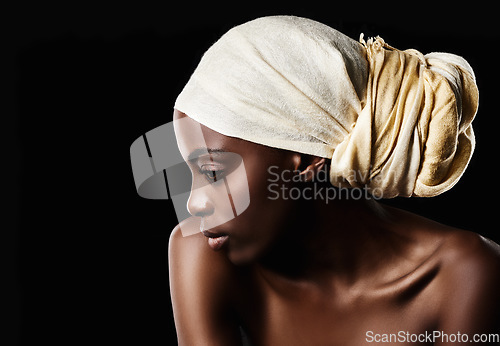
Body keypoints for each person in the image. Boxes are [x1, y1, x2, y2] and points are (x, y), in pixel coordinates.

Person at [165, 16, 500, 345]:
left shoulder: (464, 275)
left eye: (212, 172)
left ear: (307, 161)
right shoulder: (204, 251)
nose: (194, 203)